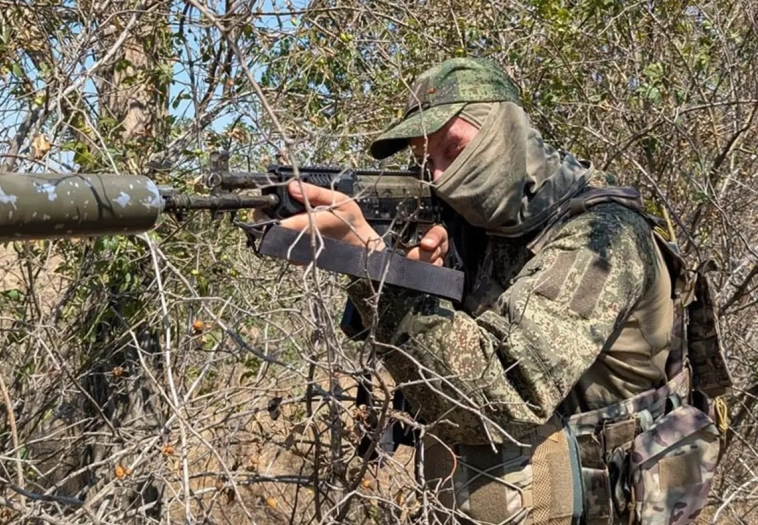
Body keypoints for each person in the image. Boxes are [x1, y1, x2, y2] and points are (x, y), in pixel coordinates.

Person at [277, 58, 722, 524]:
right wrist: (415, 274)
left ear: (503, 130)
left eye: (454, 148)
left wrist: (375, 269)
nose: (441, 176)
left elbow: (499, 399)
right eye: (428, 162)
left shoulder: (603, 238)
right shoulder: (486, 229)